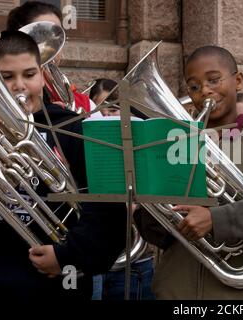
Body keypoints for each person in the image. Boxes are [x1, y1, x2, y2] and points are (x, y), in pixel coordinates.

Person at [135, 45, 243, 299]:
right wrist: (148, 196)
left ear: (238, 80)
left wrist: (216, 219)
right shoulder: (175, 144)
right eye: (193, 86)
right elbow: (156, 234)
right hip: (176, 290)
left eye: (214, 80)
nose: (204, 91)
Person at [0, 30, 127, 299]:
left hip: (58, 285)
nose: (20, 86)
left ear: (42, 75)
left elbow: (110, 214)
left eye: (29, 74)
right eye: (7, 77)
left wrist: (66, 255)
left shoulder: (73, 128)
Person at [89, 78, 155, 301]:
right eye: (102, 110)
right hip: (95, 264)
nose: (109, 117)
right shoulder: (84, 147)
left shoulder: (145, 147)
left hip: (136, 266)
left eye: (116, 108)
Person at [6, 1, 95, 114]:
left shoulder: (85, 104)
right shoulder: (5, 97)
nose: (51, 46)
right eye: (41, 36)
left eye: (57, 36)